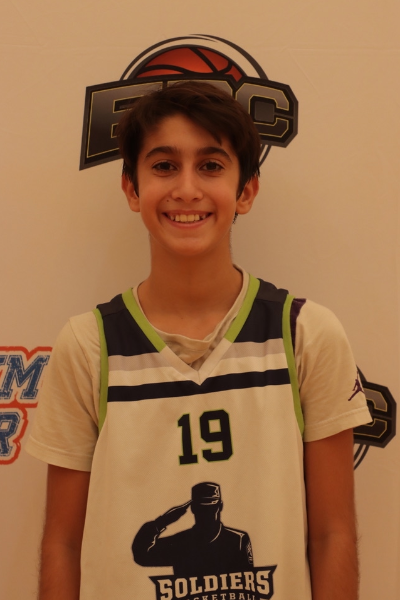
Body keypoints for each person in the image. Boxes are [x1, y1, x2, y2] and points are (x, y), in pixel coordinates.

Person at [26, 81, 371, 600]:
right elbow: (63, 544)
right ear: (132, 189)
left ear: (246, 190)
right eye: (165, 165)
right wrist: (173, 515)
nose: (187, 189)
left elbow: (331, 535)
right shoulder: (88, 345)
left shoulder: (305, 334)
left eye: (210, 165)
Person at [132, 482, 253, 576]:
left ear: (220, 506)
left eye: (211, 508)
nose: (207, 513)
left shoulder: (238, 540)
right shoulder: (179, 543)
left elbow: (249, 582)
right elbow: (141, 555)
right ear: (193, 508)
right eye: (202, 508)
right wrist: (162, 522)